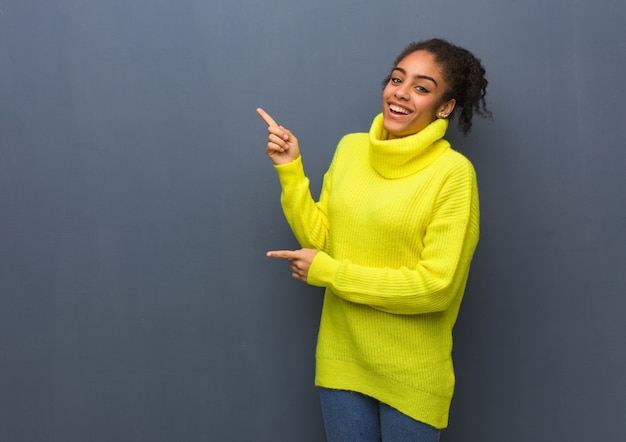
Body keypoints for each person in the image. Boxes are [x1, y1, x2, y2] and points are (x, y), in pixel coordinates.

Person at [257, 37, 491, 441]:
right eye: (397, 79)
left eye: (422, 87)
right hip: (342, 358)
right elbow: (325, 241)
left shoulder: (453, 174)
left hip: (411, 373)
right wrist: (290, 169)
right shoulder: (351, 149)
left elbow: (435, 287)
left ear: (445, 106)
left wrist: (329, 273)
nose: (401, 93)